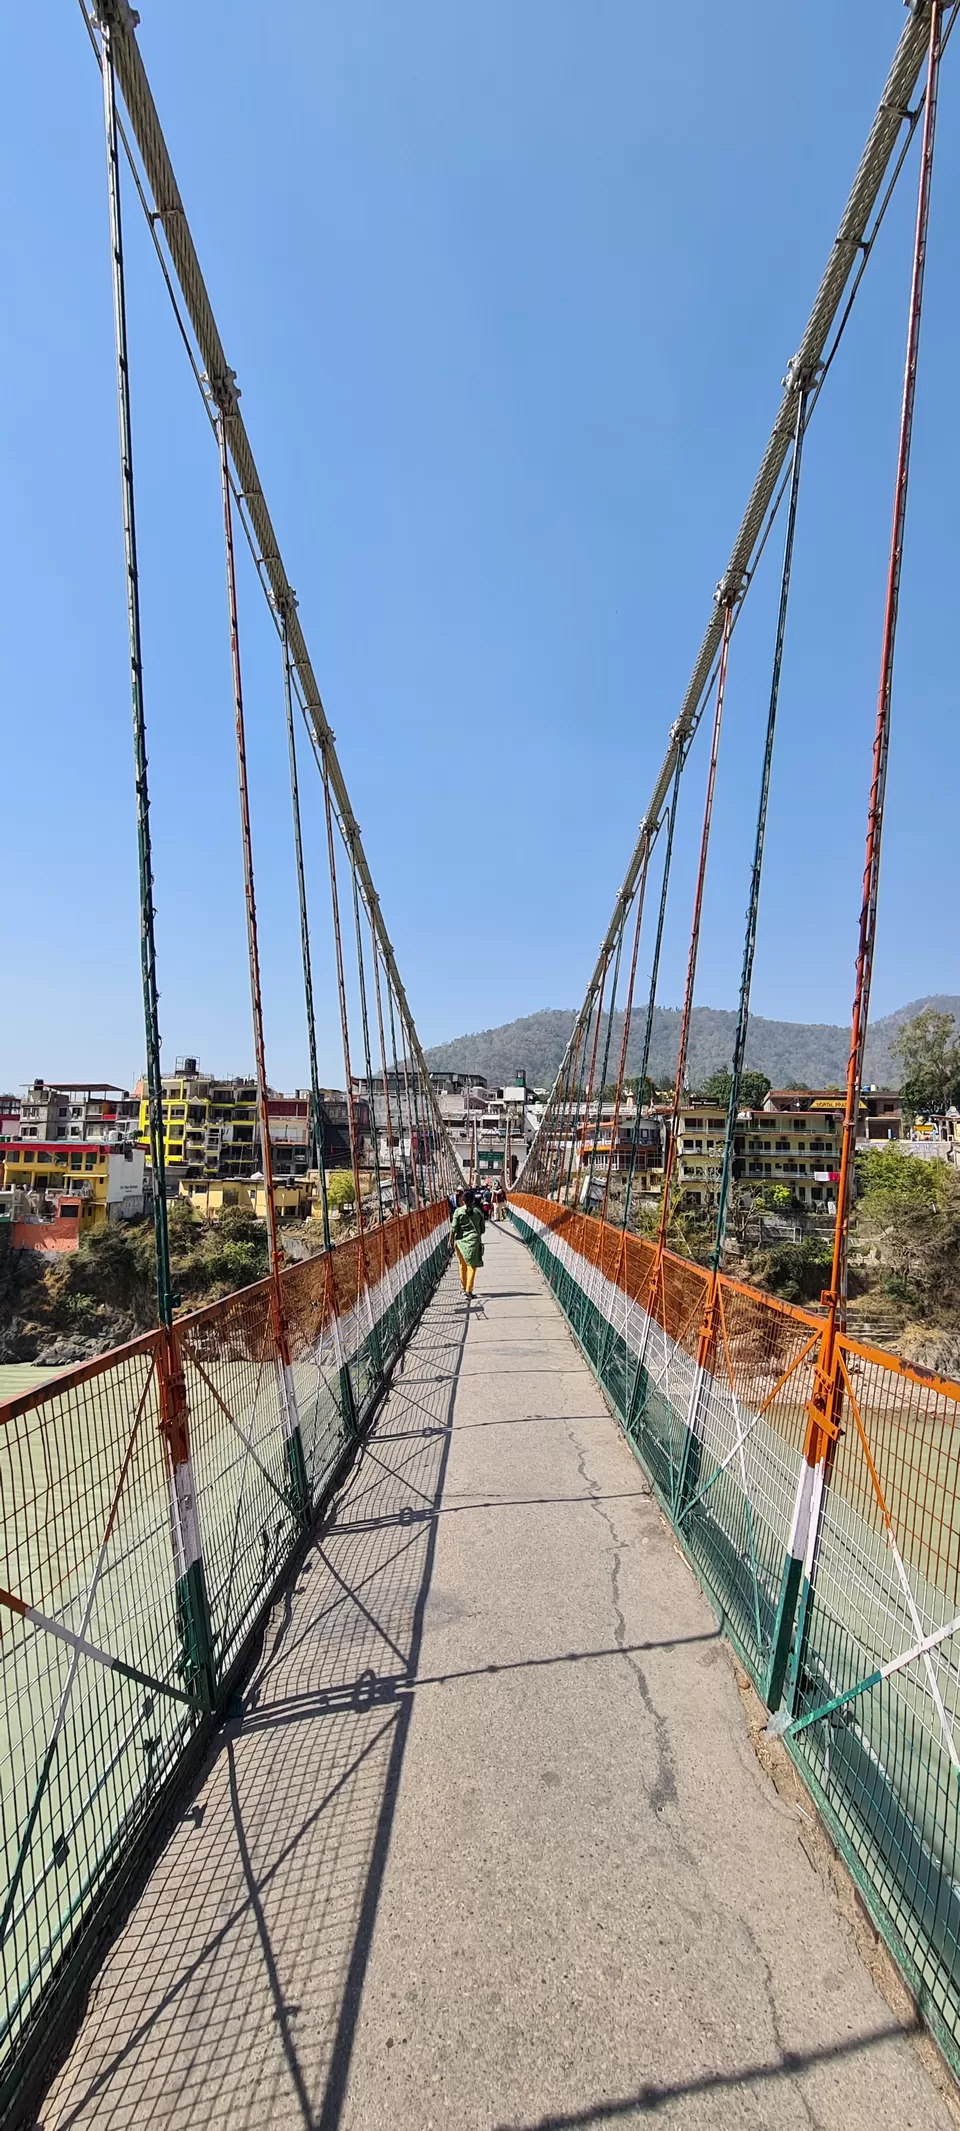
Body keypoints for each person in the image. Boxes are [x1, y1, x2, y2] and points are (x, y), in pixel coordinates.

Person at [450, 1187, 485, 1298]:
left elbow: (453, 1227)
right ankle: (469, 1290)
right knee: (472, 1266)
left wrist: (450, 1240)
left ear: (463, 1200)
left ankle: (463, 1288)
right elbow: (482, 1229)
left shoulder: (458, 1211)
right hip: (473, 1242)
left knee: (462, 1265)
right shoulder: (478, 1212)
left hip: (460, 1242)